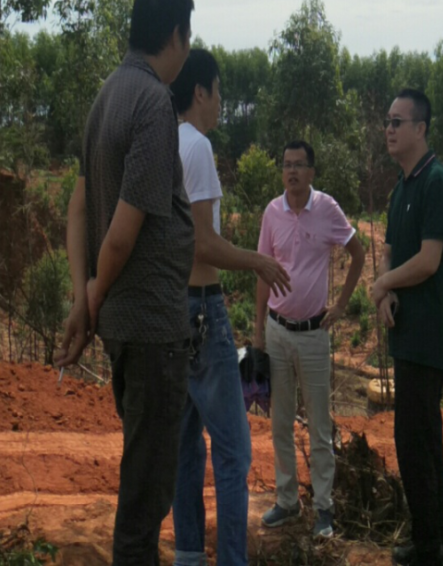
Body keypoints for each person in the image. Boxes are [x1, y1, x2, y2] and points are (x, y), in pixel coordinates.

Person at [55, 0, 196, 566]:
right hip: (154, 327)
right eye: (189, 34)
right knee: (144, 499)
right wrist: (91, 298)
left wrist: (84, 296)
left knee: (141, 475)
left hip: (124, 325)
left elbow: (79, 208)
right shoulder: (154, 105)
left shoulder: (105, 96)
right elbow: (123, 230)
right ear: (176, 34)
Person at [168, 48, 291, 566]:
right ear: (201, 91)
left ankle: (190, 557)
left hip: (170, 310)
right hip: (201, 306)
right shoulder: (196, 147)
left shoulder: (165, 140)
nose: (221, 104)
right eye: (219, 93)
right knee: (235, 450)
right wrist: (256, 261)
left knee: (186, 449)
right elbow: (200, 243)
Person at [254, 140, 365, 539]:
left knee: (319, 425)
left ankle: (324, 509)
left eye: (299, 165)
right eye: (286, 165)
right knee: (280, 422)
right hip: (277, 331)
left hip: (315, 334)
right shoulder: (272, 212)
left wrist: (341, 305)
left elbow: (358, 253)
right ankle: (286, 502)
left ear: (312, 172)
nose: (292, 172)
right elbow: (262, 273)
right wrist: (257, 336)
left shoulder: (328, 210)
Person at [371, 89, 443, 566]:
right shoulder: (400, 188)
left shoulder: (435, 182)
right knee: (424, 434)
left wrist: (383, 282)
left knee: (413, 438)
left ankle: (429, 547)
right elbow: (390, 249)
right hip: (406, 333)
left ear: (421, 129)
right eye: (388, 120)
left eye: (398, 122)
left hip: (428, 336)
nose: (389, 129)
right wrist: (384, 292)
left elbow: (428, 260)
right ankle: (434, 537)